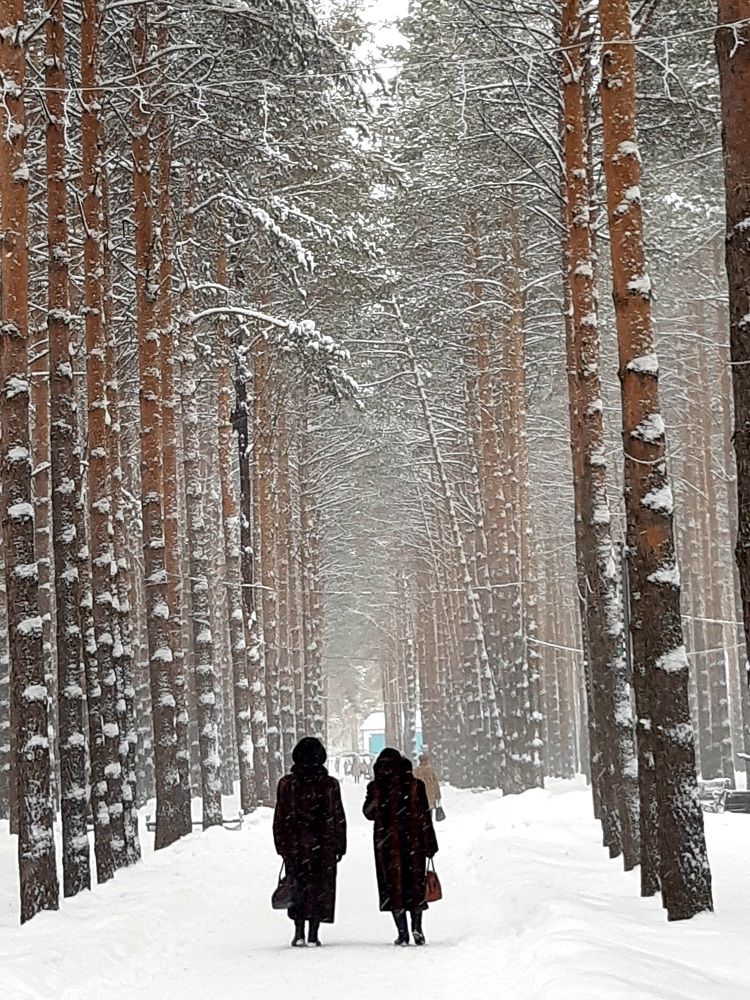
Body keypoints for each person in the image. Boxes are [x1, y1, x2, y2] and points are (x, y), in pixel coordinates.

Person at [273, 737, 347, 947]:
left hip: (295, 847)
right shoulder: (329, 784)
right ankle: (314, 931)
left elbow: (280, 817)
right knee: (319, 888)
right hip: (323, 846)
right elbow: (338, 816)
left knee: (297, 886)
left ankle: (298, 931)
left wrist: (281, 845)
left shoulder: (287, 784)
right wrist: (339, 845)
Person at [363, 748, 438, 946]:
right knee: (415, 885)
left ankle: (402, 932)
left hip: (387, 845)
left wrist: (378, 795)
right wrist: (430, 843)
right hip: (414, 843)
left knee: (393, 887)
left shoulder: (376, 787)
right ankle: (417, 928)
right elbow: (425, 817)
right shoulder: (415, 785)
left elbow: (367, 813)